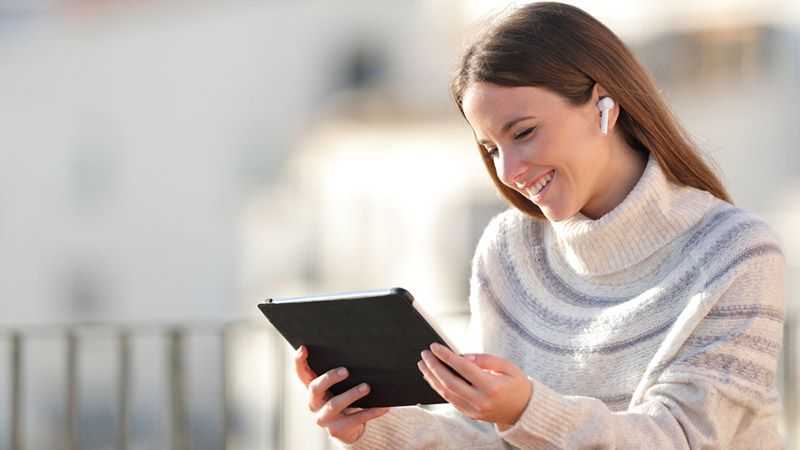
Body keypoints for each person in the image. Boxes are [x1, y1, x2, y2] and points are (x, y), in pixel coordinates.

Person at [294, 2, 787, 448]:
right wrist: (374, 426)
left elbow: (682, 437)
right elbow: (496, 439)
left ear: (604, 104)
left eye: (524, 133)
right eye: (491, 149)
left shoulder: (736, 253)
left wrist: (525, 409)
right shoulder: (510, 249)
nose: (508, 172)